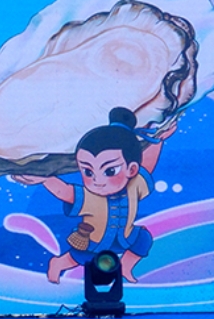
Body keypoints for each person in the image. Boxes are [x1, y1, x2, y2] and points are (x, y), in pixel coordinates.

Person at [13, 107, 173, 284]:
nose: (97, 180)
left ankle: (125, 268)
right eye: (88, 172)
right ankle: (57, 265)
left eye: (110, 171)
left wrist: (158, 140)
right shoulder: (88, 196)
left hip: (126, 237)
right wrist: (44, 179)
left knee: (143, 240)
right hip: (94, 242)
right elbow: (64, 191)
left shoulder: (134, 185)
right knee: (77, 258)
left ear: (131, 169)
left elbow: (147, 166)